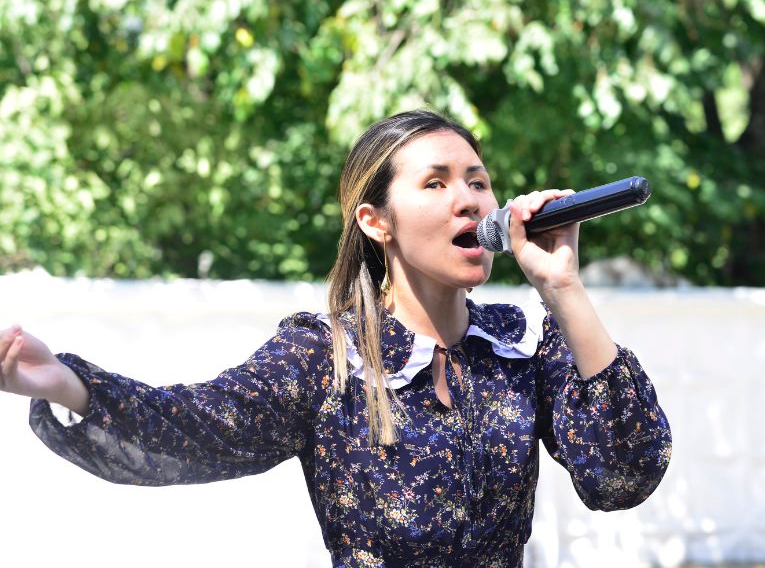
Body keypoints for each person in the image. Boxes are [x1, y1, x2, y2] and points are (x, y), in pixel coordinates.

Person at [0, 110, 671, 567]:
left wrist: (562, 287)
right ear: (377, 222)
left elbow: (624, 475)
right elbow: (197, 428)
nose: (469, 199)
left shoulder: (520, 344)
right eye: (436, 182)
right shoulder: (328, 357)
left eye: (478, 181)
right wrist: (63, 383)